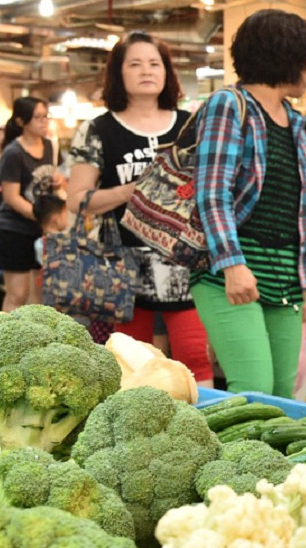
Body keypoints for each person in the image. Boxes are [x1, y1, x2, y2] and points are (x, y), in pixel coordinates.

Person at [191, 9, 306, 396]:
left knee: (284, 395)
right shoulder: (230, 105)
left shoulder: (293, 122)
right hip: (228, 269)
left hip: (283, 274)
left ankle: (274, 461)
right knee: (254, 391)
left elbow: (294, 209)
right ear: (287, 57)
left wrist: (302, 284)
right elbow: (211, 193)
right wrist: (233, 265)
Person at [68, 31, 213, 382]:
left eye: (154, 63)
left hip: (187, 265)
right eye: (135, 64)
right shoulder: (97, 130)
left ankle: (207, 427)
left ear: (167, 72)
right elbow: (78, 200)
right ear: (118, 73)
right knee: (133, 363)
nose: (146, 71)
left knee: (196, 355)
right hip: (124, 268)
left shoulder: (192, 125)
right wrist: (136, 190)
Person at [0, 96, 59, 312]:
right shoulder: (13, 152)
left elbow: (50, 181)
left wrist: (58, 183)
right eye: (37, 117)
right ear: (22, 122)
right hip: (14, 229)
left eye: (45, 116)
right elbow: (11, 197)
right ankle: (4, 340)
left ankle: (33, 342)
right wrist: (43, 217)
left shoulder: (49, 146)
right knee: (17, 294)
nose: (43, 122)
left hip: (40, 230)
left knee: (38, 293)